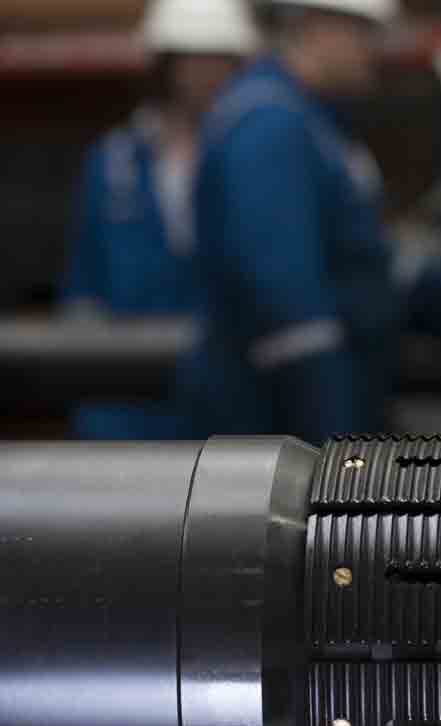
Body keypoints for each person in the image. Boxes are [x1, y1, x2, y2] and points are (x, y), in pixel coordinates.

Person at [192, 0, 441, 443]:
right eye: (361, 31)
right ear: (310, 26)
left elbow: (361, 264)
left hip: (316, 405)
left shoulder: (309, 121)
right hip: (276, 424)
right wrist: (335, 441)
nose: (374, 49)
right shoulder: (268, 126)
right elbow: (285, 301)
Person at [62, 0, 259, 440]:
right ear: (165, 65)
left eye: (218, 61)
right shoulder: (115, 162)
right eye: (192, 60)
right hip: (124, 402)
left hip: (227, 398)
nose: (205, 75)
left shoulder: (260, 157)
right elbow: (85, 281)